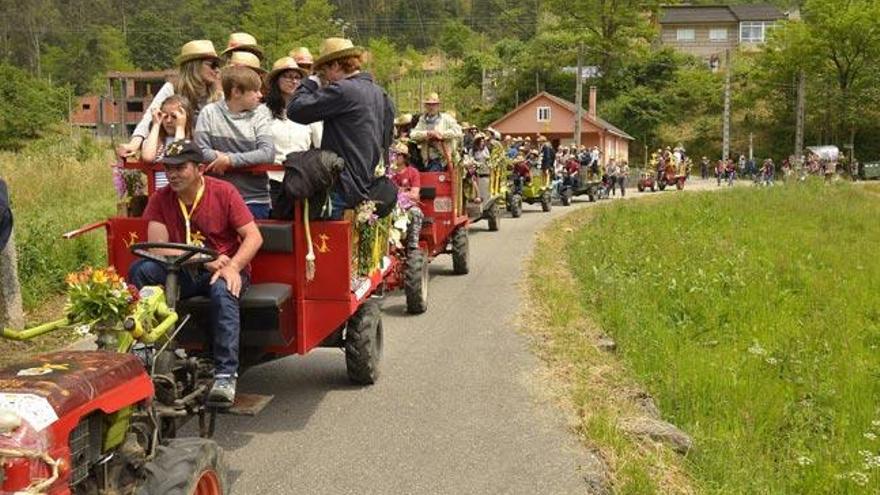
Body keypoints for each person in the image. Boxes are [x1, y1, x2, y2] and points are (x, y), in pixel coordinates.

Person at [128, 139, 263, 408]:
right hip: (184, 270)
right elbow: (157, 247)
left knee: (224, 289)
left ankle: (226, 375)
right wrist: (202, 260)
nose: (173, 174)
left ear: (199, 168)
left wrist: (234, 267)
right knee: (141, 271)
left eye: (180, 168)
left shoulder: (224, 192)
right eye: (169, 168)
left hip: (224, 268)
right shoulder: (161, 198)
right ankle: (146, 351)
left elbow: (254, 236)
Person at [287, 37, 395, 219]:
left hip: (342, 185)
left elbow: (296, 109)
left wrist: (312, 81)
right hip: (365, 183)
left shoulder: (344, 90)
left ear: (336, 65)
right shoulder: (380, 93)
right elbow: (388, 137)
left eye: (325, 70)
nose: (325, 76)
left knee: (322, 243)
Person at [116, 40, 222, 158]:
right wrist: (133, 144)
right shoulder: (172, 88)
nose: (217, 70)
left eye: (218, 66)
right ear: (194, 66)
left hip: (206, 156)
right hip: (181, 157)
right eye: (212, 65)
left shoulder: (218, 96)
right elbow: (150, 117)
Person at [194, 66, 275, 219]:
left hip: (254, 199)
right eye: (255, 90)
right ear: (236, 92)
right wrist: (234, 159)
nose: (260, 95)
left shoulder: (260, 114)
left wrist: (229, 160)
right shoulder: (209, 112)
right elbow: (200, 152)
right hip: (216, 197)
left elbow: (268, 153)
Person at [263, 57, 322, 210]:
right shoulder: (263, 111)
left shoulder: (310, 111)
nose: (293, 81)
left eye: (297, 77)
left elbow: (320, 142)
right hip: (270, 179)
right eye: (288, 76)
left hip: (301, 180)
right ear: (277, 80)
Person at [141, 95, 191, 189]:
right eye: (165, 116)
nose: (168, 121)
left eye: (174, 116)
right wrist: (156, 124)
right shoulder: (158, 141)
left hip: (179, 197)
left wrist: (180, 127)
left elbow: (176, 157)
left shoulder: (188, 141)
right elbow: (148, 157)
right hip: (159, 196)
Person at [410, 92, 462, 172]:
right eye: (429, 105)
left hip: (443, 160)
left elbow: (458, 131)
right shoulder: (422, 120)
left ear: (438, 106)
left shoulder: (446, 118)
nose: (431, 107)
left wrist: (441, 134)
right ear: (426, 106)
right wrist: (427, 133)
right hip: (427, 160)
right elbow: (413, 134)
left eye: (434, 104)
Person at [390, 142, 422, 251]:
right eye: (393, 154)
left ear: (404, 157)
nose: (394, 157)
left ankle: (413, 246)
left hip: (408, 206)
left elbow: (414, 195)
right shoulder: (389, 173)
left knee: (415, 213)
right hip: (392, 205)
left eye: (397, 155)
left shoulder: (413, 172)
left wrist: (398, 193)